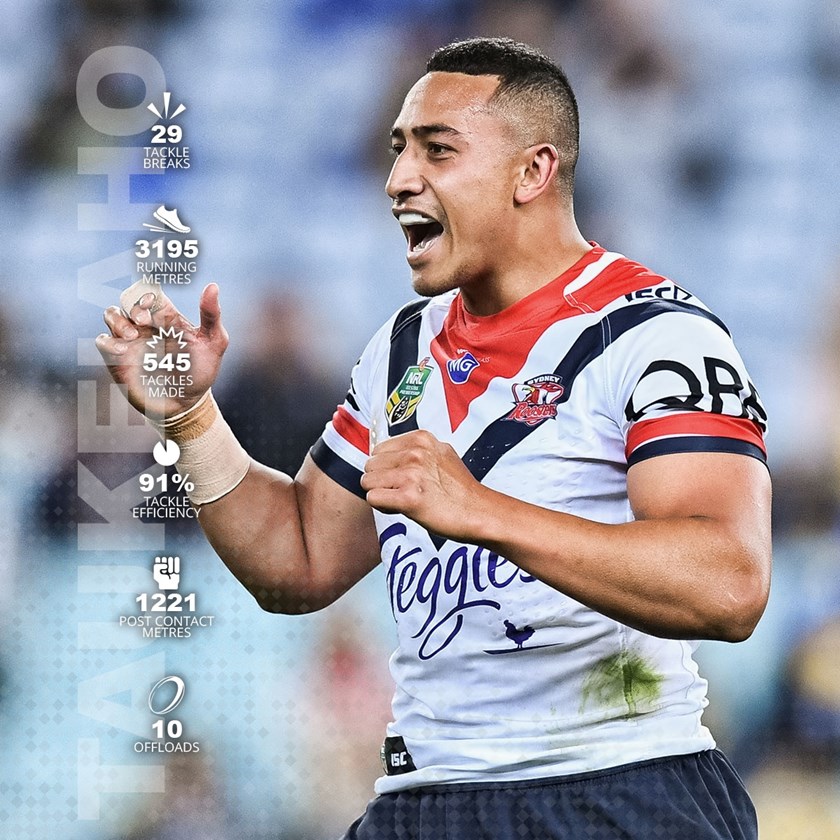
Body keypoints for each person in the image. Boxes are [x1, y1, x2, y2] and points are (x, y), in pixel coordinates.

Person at [97, 37, 771, 840]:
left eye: (436, 150)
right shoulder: (402, 349)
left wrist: (481, 510)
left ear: (533, 171)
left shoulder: (657, 334)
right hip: (427, 798)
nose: (398, 180)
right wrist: (189, 418)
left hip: (615, 787)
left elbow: (729, 584)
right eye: (398, 150)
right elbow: (298, 562)